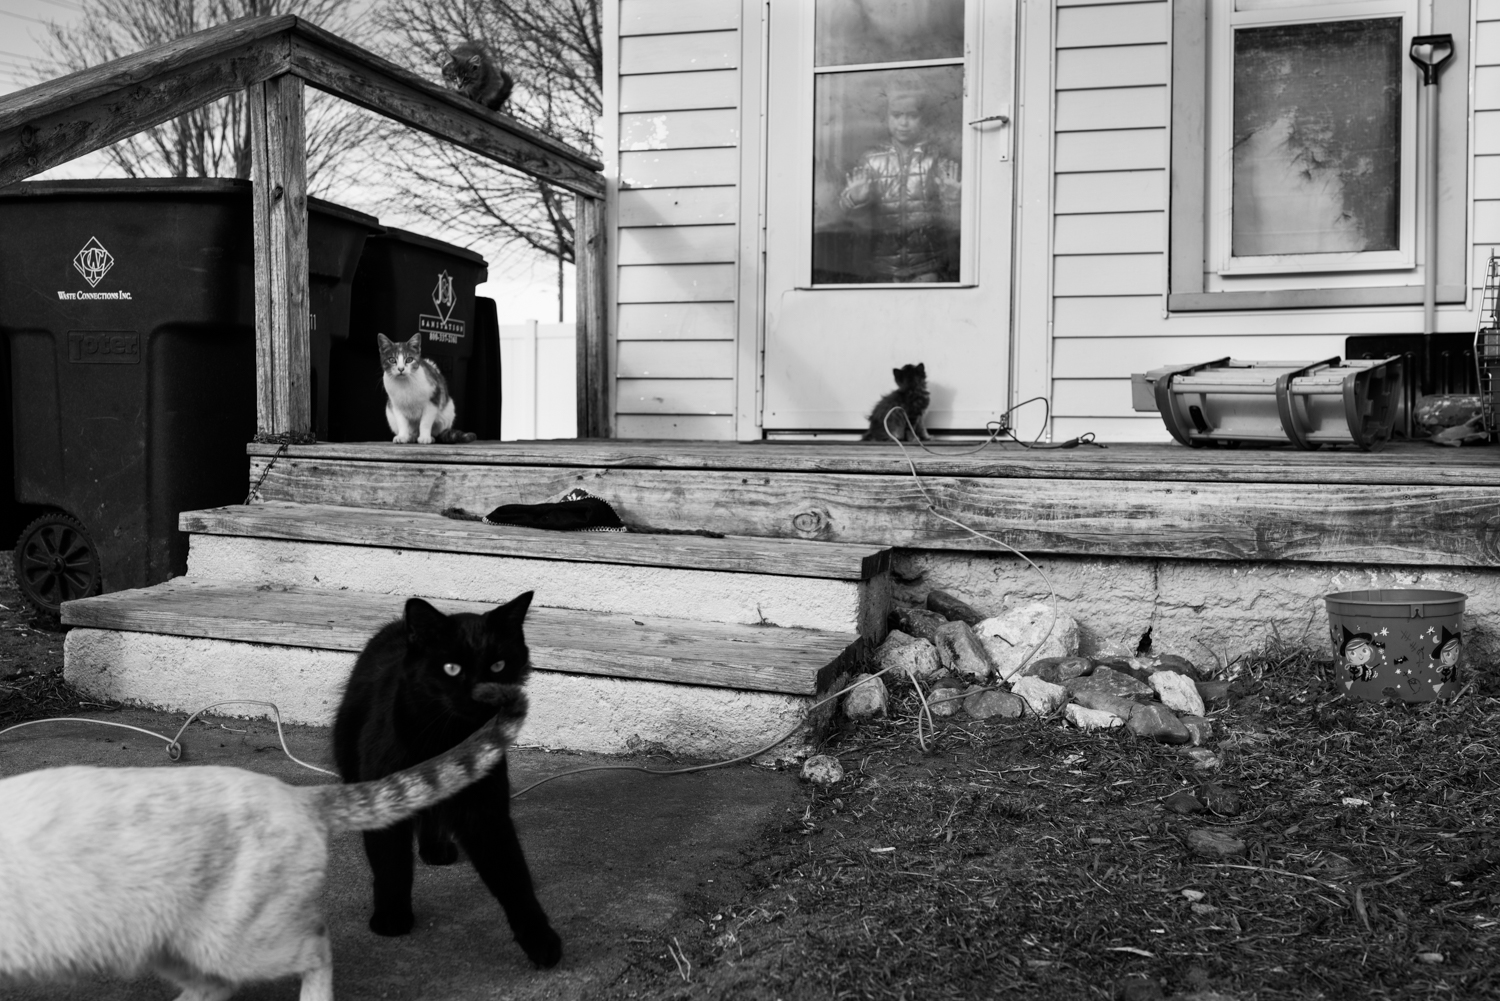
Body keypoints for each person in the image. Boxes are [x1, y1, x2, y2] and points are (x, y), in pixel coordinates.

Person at [838, 86, 962, 283]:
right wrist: (855, 201)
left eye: (912, 115)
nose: (903, 123)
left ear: (923, 118)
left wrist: (954, 200)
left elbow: (954, 225)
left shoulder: (937, 157)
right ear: (887, 118)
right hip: (882, 269)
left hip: (928, 267)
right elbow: (850, 223)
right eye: (896, 115)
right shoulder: (871, 160)